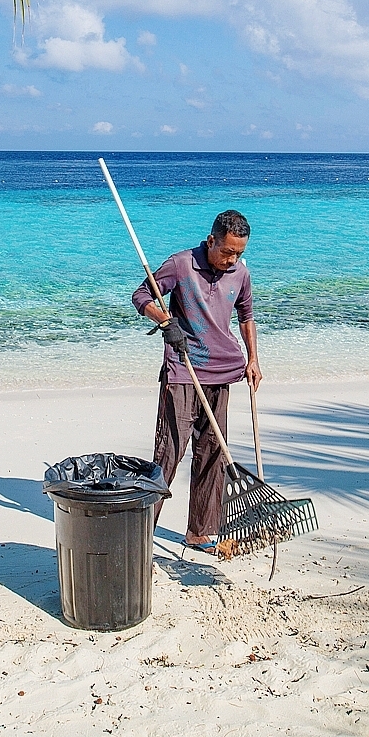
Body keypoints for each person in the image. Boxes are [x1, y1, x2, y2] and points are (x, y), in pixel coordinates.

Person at [132, 208, 260, 554]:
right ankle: (141, 533)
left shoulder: (240, 273)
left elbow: (246, 316)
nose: (232, 259)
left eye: (239, 253)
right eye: (227, 251)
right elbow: (141, 296)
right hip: (183, 368)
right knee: (169, 451)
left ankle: (201, 532)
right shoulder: (181, 264)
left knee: (213, 452)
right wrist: (164, 320)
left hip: (223, 370)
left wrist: (253, 360)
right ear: (211, 241)